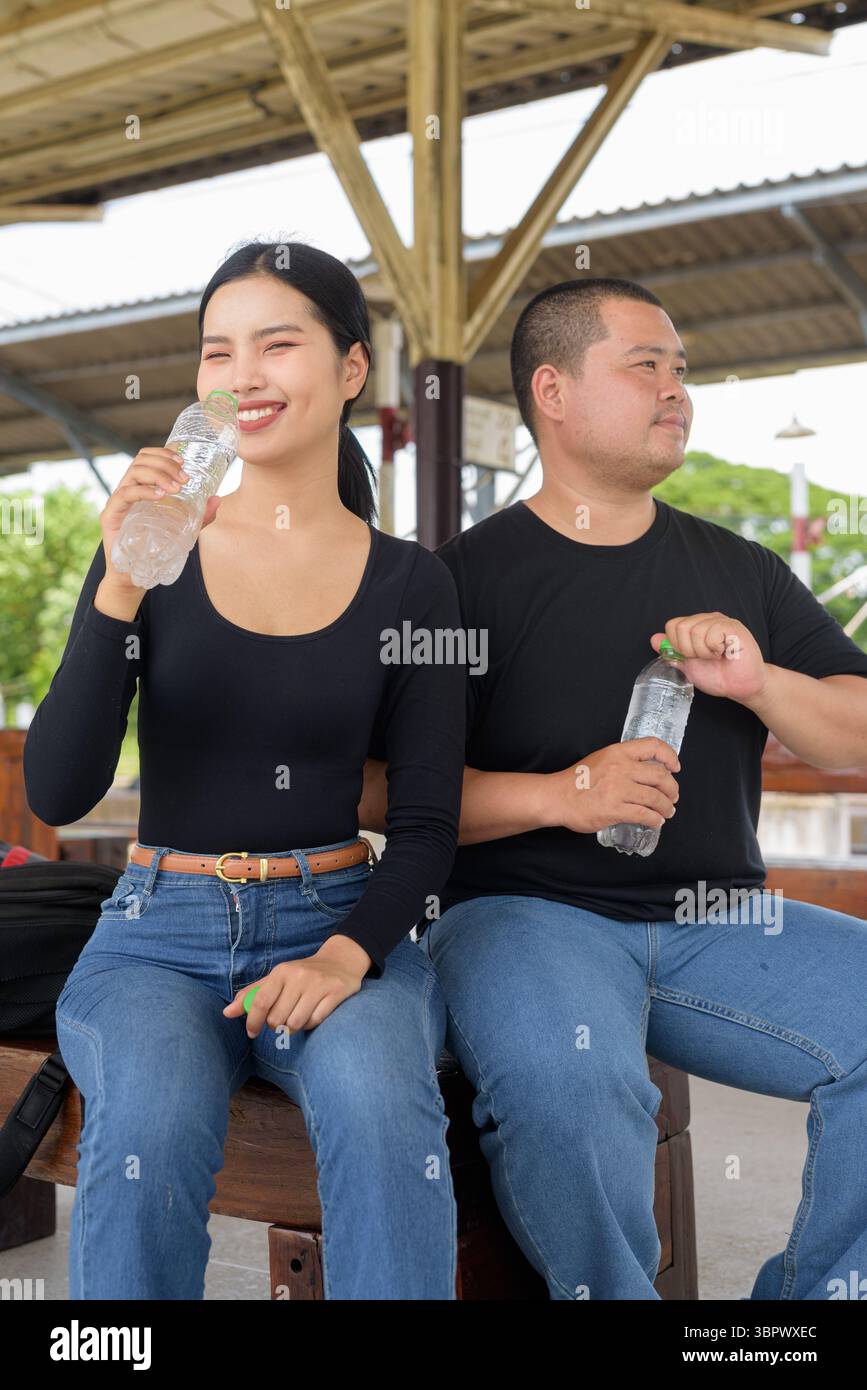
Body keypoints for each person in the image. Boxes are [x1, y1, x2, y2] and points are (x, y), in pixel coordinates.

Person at [360, 277, 867, 1301]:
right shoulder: (453, 582)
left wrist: (762, 681)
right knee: (574, 1084)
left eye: (682, 371)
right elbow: (375, 790)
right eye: (647, 365)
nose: (676, 390)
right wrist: (562, 794)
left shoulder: (742, 569)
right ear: (553, 389)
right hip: (522, 914)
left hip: (715, 915)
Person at [24, 239, 466, 1300]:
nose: (243, 375)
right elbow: (58, 791)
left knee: (378, 1100)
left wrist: (350, 953)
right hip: (157, 935)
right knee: (152, 1113)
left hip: (338, 912)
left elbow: (425, 825)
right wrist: (120, 582)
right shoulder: (149, 553)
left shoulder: (416, 585)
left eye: (279, 343)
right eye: (218, 351)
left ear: (353, 369)